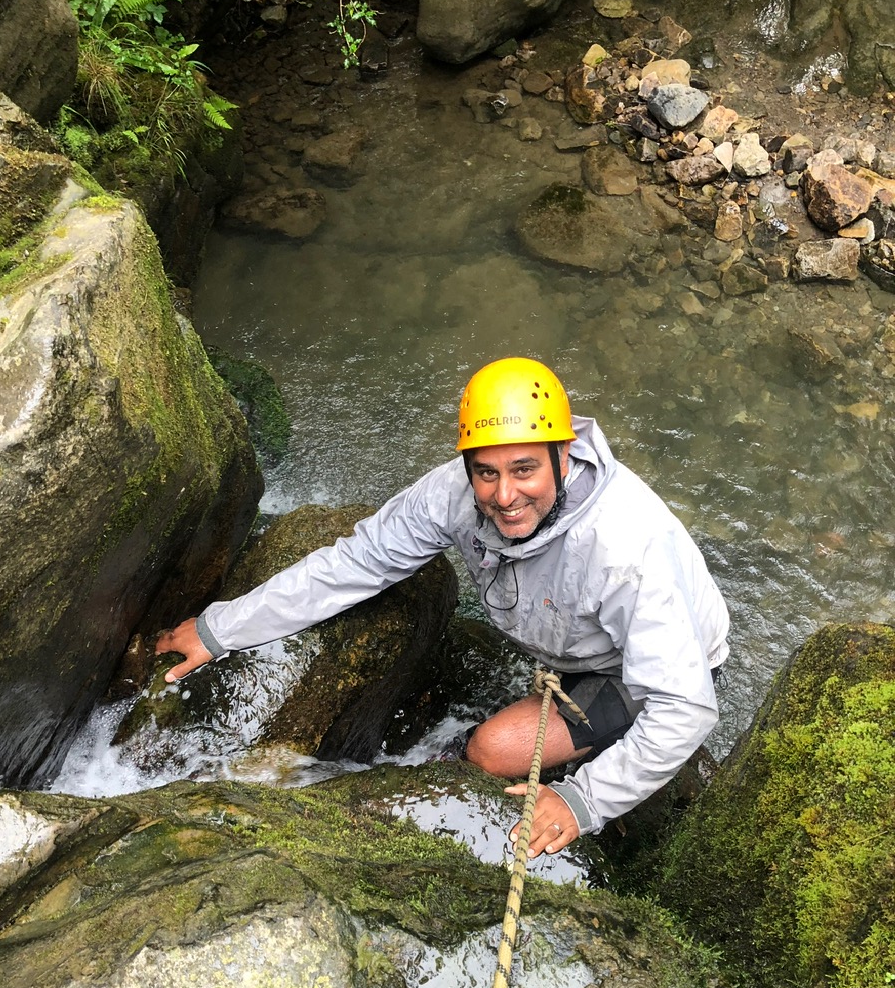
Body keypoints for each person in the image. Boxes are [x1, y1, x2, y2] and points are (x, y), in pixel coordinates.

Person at [157, 357, 730, 858]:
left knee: (492, 749)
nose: (504, 496)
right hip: (572, 642)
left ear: (565, 453)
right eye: (487, 472)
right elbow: (355, 563)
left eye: (524, 469)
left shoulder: (624, 548)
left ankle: (593, 749)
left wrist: (582, 802)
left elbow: (685, 706)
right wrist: (219, 629)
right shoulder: (451, 494)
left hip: (633, 669)